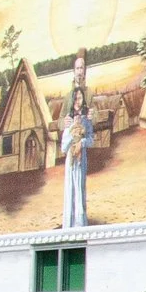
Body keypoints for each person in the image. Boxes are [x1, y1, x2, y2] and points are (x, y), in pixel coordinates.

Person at [59, 51, 91, 229]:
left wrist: (82, 142)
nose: (80, 71)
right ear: (74, 70)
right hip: (71, 159)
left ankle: (80, 223)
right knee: (70, 189)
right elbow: (60, 123)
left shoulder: (90, 93)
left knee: (80, 189)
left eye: (83, 68)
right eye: (77, 68)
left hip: (82, 158)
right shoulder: (67, 97)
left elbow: (91, 130)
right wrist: (69, 131)